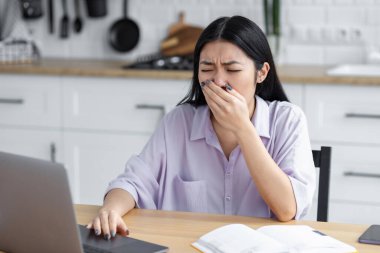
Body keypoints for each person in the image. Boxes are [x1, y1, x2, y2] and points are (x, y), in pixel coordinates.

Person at [87, 16, 316, 240]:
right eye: (207, 68)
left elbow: (287, 209)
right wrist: (111, 210)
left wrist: (243, 129)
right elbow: (133, 182)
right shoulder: (178, 121)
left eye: (232, 69)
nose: (217, 81)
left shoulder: (287, 120)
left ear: (262, 73)